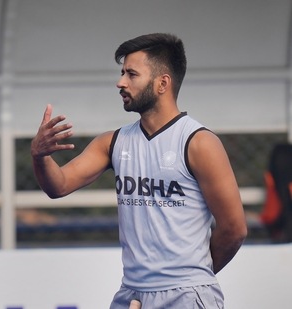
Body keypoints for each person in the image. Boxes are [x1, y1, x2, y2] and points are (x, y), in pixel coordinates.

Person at [30, 33, 247, 308]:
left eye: (131, 74)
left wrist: (191, 277)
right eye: (122, 73)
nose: (120, 82)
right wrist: (40, 155)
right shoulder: (113, 141)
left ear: (162, 83)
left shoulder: (199, 143)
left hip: (187, 294)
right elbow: (58, 186)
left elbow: (234, 229)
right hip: (132, 294)